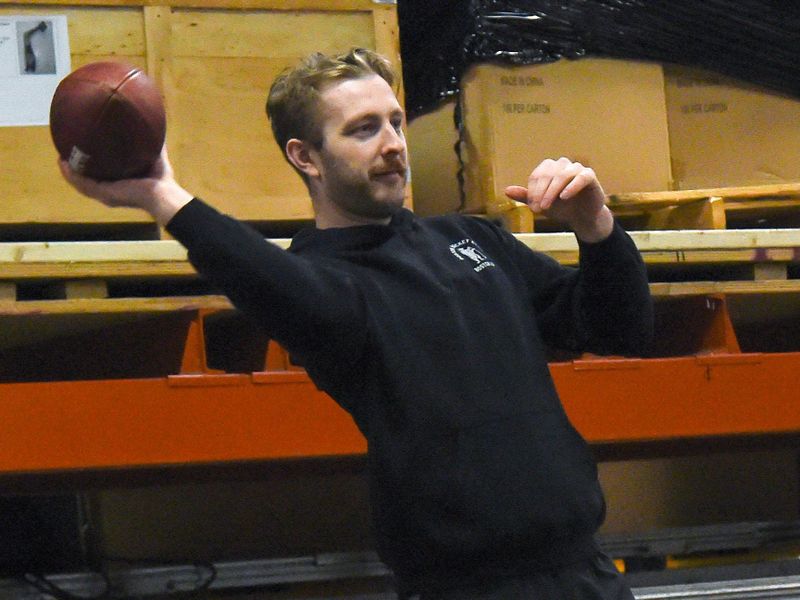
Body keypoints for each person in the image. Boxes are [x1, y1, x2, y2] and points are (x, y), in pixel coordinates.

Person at [59, 48, 653, 599]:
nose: (393, 143)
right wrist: (163, 197)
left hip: (587, 574)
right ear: (305, 156)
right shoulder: (327, 282)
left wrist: (595, 225)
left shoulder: (473, 239)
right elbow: (264, 280)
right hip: (469, 586)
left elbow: (617, 328)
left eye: (394, 121)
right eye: (363, 129)